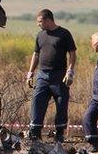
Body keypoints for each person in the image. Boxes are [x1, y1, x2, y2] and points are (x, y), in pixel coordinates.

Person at [25, 9, 77, 143]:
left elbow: (72, 53)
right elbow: (35, 54)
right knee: (37, 102)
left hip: (59, 75)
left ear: (48, 20)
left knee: (61, 103)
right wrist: (30, 73)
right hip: (42, 75)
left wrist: (70, 71)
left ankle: (59, 134)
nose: (38, 24)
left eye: (40, 21)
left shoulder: (64, 34)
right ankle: (35, 133)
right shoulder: (40, 35)